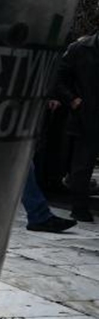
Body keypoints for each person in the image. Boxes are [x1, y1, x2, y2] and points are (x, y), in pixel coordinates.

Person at [55, 32, 99, 222]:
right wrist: (73, 100)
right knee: (82, 163)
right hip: (86, 114)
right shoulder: (79, 49)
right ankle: (79, 207)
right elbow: (58, 76)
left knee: (83, 162)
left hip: (87, 111)